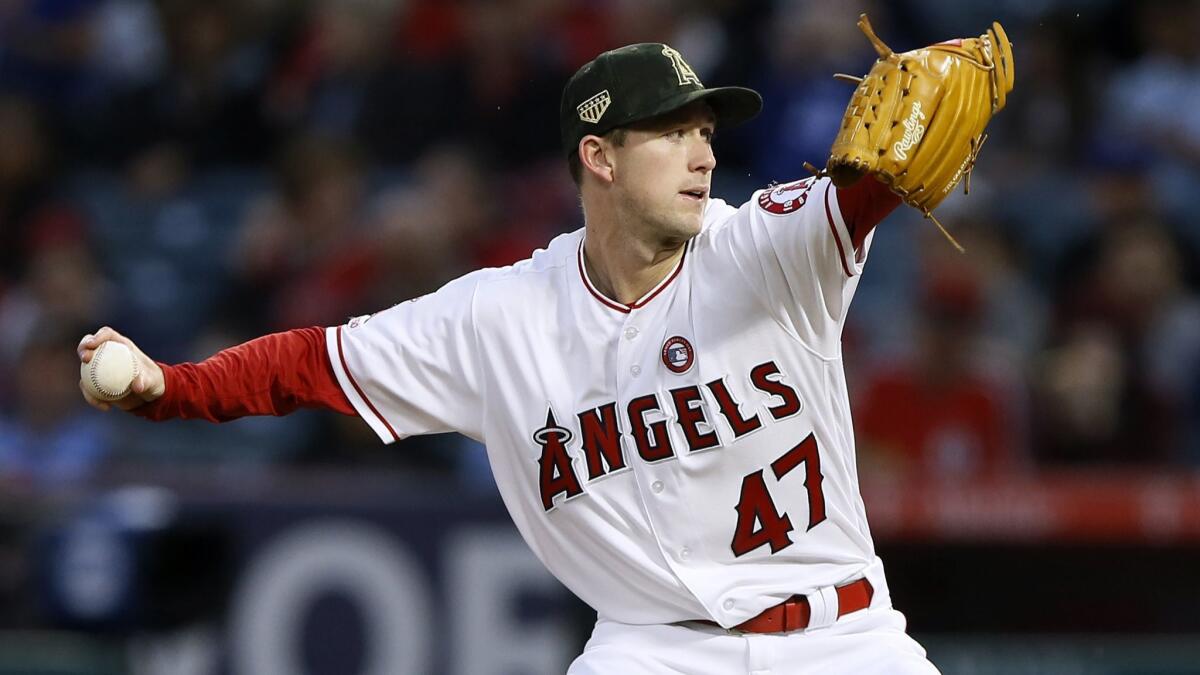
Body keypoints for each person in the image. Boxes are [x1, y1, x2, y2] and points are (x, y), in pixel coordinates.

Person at [79, 43, 942, 673]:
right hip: (650, 652)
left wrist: (885, 172)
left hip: (845, 638)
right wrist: (169, 388)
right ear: (597, 158)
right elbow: (313, 361)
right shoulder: (501, 318)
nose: (705, 154)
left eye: (706, 130)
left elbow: (853, 200)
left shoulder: (760, 248)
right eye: (673, 133)